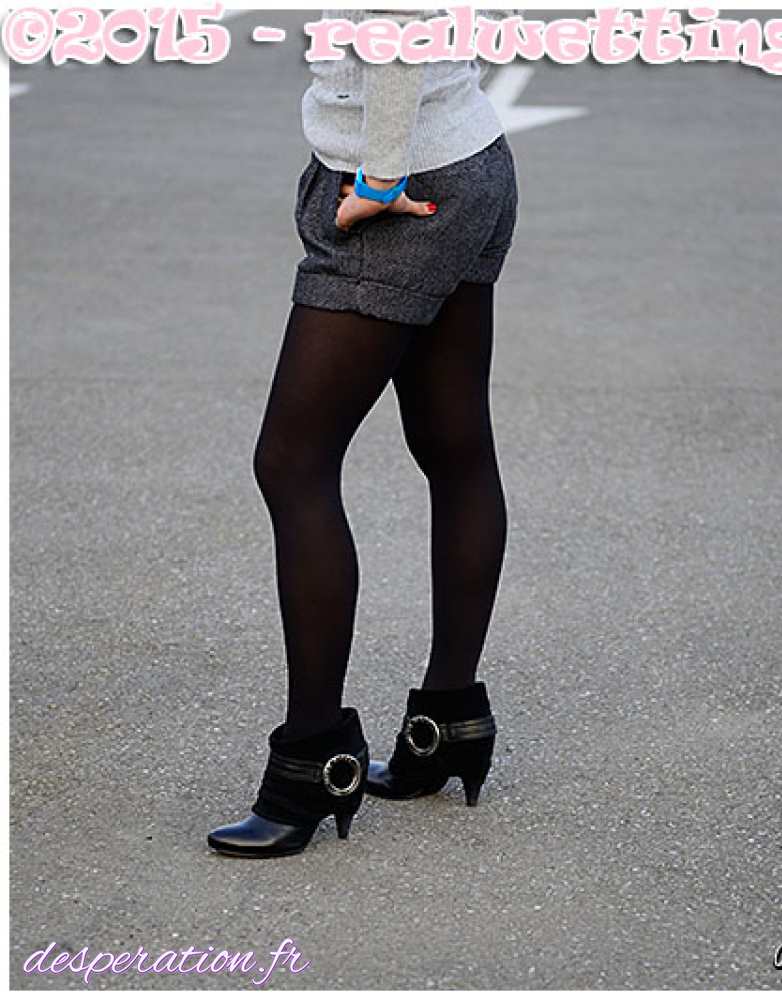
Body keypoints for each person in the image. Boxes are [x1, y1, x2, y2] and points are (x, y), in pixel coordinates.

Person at [208, 8, 520, 858]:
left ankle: (312, 758)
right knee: (455, 446)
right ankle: (447, 723)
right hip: (468, 158)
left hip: (401, 189)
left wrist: (379, 178)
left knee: (292, 462)